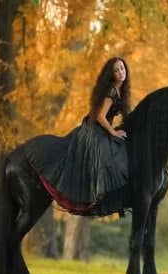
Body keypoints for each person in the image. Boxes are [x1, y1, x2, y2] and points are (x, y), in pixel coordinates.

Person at [23, 57, 131, 217]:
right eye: (116, 70)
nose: (120, 72)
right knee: (103, 154)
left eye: (122, 68)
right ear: (112, 74)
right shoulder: (111, 91)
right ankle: (97, 195)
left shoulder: (123, 89)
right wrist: (114, 132)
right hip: (94, 129)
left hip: (103, 129)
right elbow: (101, 116)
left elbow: (124, 114)